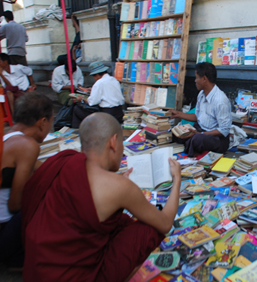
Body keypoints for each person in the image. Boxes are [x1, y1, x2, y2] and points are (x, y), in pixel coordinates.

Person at [21, 113, 182, 281]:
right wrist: (176, 179)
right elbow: (165, 224)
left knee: (124, 222)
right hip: (74, 277)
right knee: (149, 229)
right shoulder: (120, 187)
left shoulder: (61, 160)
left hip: (35, 270)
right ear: (113, 142)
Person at [0, 93, 53, 269]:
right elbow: (14, 205)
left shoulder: (9, 136)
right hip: (4, 231)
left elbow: (43, 167)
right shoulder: (28, 146)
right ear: (43, 122)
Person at [171, 62, 232, 156]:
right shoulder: (201, 94)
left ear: (204, 79)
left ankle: (191, 149)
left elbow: (224, 130)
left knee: (197, 139)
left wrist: (201, 133)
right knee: (176, 132)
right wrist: (178, 114)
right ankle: (190, 144)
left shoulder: (220, 100)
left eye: (196, 77)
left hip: (217, 138)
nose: (195, 81)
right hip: (200, 130)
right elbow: (197, 116)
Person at [72, 61, 125, 128]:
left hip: (107, 114)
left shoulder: (99, 83)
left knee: (77, 109)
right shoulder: (114, 80)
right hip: (119, 112)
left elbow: (92, 102)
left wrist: (82, 98)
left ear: (97, 75)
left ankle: (77, 130)